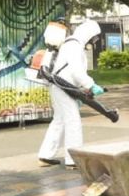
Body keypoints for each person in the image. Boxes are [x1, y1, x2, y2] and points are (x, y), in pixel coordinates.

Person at [37, 19, 104, 169]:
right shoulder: (74, 46)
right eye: (94, 37)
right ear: (89, 34)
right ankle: (73, 159)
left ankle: (46, 155)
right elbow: (76, 71)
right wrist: (90, 85)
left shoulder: (69, 44)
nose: (94, 41)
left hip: (58, 86)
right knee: (73, 121)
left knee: (59, 120)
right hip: (64, 87)